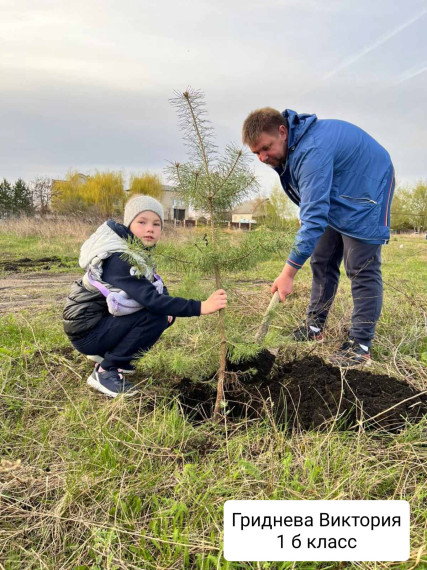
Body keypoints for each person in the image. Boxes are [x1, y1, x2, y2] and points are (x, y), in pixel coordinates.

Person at [242, 108, 395, 367]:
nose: (262, 157)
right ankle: (314, 328)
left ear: (282, 131)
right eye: (256, 153)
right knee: (322, 259)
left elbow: (314, 217)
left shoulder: (311, 149)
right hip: (340, 187)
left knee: (360, 267)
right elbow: (313, 197)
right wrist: (308, 206)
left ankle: (360, 345)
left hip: (369, 186)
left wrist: (288, 274)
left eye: (266, 148)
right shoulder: (293, 148)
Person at [63, 194, 227, 397]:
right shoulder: (119, 258)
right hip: (86, 333)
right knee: (157, 315)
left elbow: (154, 284)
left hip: (96, 324)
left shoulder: (135, 253)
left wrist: (167, 305)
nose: (150, 228)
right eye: (142, 222)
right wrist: (201, 307)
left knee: (165, 314)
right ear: (129, 224)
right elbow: (153, 300)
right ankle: (106, 370)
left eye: (157, 224)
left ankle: (107, 354)